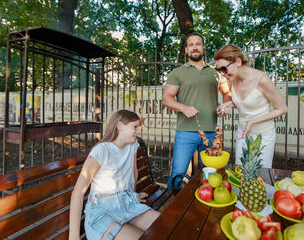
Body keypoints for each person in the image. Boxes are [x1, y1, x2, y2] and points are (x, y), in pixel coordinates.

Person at [69, 110, 160, 240]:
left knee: (166, 226)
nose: (138, 131)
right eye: (134, 127)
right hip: (102, 211)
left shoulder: (132, 145)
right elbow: (78, 192)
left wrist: (132, 196)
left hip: (127, 204)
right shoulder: (102, 150)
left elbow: (133, 172)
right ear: (120, 126)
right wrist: (73, 236)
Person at [162, 32, 231, 189]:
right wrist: (183, 107)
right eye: (191, 44)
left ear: (203, 48)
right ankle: (172, 210)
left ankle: (206, 208)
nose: (195, 47)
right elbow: (167, 99)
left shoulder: (216, 72)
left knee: (213, 174)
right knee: (177, 174)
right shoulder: (177, 73)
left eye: (198, 44)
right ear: (186, 50)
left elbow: (227, 93)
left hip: (213, 134)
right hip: (185, 132)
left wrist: (225, 104)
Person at [215, 44, 287, 168]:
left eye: (224, 68)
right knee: (240, 171)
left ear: (237, 61)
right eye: (219, 70)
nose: (222, 74)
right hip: (243, 132)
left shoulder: (262, 79)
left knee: (261, 174)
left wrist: (252, 121)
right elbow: (243, 105)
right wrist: (229, 104)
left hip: (263, 135)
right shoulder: (231, 80)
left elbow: (282, 108)